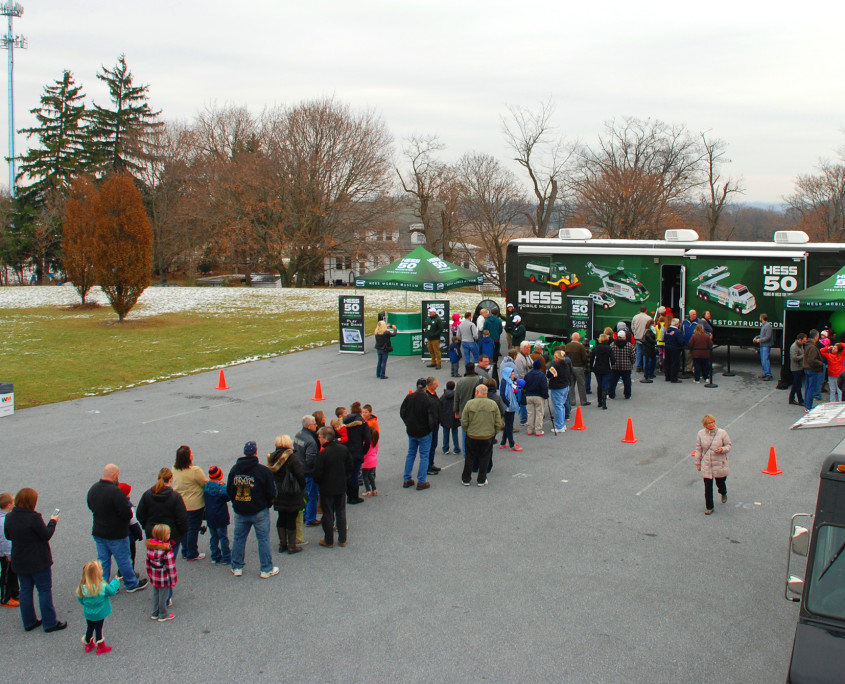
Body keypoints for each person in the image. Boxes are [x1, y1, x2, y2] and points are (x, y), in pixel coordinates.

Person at [3, 487, 66, 632]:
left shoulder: (10, 517)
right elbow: (46, 535)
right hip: (38, 560)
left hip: (20, 559)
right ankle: (50, 623)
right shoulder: (33, 518)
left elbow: (8, 536)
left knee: (25, 590)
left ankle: (29, 621)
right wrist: (53, 521)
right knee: (44, 590)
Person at [87, 464, 148, 593]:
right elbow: (126, 514)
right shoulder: (116, 492)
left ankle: (102, 585)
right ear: (114, 475)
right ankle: (131, 583)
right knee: (124, 560)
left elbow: (90, 505)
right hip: (116, 534)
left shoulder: (93, 489)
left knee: (103, 560)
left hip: (99, 531)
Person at [227, 441, 278, 579]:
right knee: (263, 539)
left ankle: (237, 566)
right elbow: (271, 492)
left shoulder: (234, 470)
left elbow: (230, 490)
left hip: (240, 509)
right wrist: (266, 504)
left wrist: (236, 502)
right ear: (256, 452)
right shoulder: (263, 471)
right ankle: (266, 569)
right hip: (259, 510)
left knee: (239, 538)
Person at [313, 427, 352, 548]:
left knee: (328, 514)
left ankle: (329, 540)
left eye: (319, 436)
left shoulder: (323, 454)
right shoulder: (343, 449)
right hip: (340, 486)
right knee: (341, 512)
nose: (318, 438)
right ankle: (342, 539)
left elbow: (317, 473)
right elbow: (350, 465)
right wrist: (345, 479)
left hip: (327, 488)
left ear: (325, 438)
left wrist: (319, 482)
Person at [267, 435, 306, 555]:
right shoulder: (291, 458)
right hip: (291, 491)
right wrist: (302, 488)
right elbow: (300, 476)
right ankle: (292, 545)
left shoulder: (271, 457)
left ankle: (282, 543)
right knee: (291, 518)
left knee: (281, 517)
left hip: (278, 492)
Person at [136, 468, 188, 556]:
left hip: (153, 534)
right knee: (169, 563)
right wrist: (181, 533)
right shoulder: (175, 497)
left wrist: (147, 526)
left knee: (154, 562)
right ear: (171, 479)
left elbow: (140, 514)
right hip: (171, 536)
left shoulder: (147, 494)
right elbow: (182, 519)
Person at [400, 377, 440, 490]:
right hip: (424, 432)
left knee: (411, 453)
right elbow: (432, 418)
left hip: (412, 430)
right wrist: (430, 428)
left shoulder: (409, 397)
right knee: (424, 456)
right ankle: (421, 481)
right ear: (426, 386)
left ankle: (407, 479)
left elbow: (402, 412)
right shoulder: (427, 400)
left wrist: (408, 423)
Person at [460, 385, 504, 487]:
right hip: (487, 436)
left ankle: (466, 478)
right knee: (485, 458)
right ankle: (481, 479)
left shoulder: (470, 403)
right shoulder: (492, 404)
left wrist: (467, 430)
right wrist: (494, 432)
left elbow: (464, 421)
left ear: (476, 392)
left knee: (469, 457)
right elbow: (498, 422)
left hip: (472, 435)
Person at [172, 445, 207, 561]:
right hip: (194, 504)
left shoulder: (175, 469)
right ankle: (192, 552)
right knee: (193, 528)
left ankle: (185, 550)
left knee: (184, 528)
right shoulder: (195, 471)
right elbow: (204, 483)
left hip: (180, 503)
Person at [76, 560, 119, 654]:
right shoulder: (102, 586)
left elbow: (81, 600)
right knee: (98, 628)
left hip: (89, 613)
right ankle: (100, 647)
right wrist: (116, 581)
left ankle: (88, 644)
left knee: (90, 627)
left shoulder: (83, 587)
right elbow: (111, 591)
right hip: (100, 613)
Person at [693, 414, 731, 515]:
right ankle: (709, 507)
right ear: (705, 425)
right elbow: (698, 449)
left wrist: (722, 449)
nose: (712, 424)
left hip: (719, 462)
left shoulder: (722, 433)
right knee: (708, 486)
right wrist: (698, 463)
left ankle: (723, 492)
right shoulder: (700, 434)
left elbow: (729, 445)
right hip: (707, 463)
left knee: (720, 482)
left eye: (713, 422)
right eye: (709, 423)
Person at [145, 524, 176, 622]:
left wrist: (150, 574)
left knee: (156, 594)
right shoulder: (167, 550)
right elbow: (170, 567)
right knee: (164, 596)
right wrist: (173, 579)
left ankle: (155, 612)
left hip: (154, 574)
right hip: (164, 576)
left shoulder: (150, 548)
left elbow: (148, 563)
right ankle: (163, 614)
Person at [295, 415, 320, 528]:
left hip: (299, 470)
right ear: (309, 426)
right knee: (312, 495)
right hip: (308, 472)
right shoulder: (311, 441)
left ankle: (305, 515)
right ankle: (310, 518)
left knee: (304, 494)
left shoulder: (298, 435)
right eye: (315, 424)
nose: (316, 425)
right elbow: (311, 460)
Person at [343, 401, 371, 504]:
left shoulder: (345, 421)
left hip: (345, 451)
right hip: (356, 452)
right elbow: (368, 439)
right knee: (354, 475)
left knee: (347, 474)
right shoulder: (362, 423)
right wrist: (364, 450)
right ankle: (354, 497)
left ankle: (348, 495)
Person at [203, 465, 231, 564]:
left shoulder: (206, 487)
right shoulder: (222, 487)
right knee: (223, 537)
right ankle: (226, 557)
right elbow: (228, 497)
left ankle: (215, 556)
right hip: (221, 516)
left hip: (210, 516)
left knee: (213, 537)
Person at [0, 491, 20, 608]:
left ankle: (14, 592)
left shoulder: (5, 517)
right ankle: (5, 598)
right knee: (7, 574)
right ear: (8, 505)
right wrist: (8, 554)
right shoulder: (3, 521)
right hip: (5, 553)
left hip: (6, 552)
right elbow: (5, 541)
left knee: (13, 572)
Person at [547, 348, 571, 432]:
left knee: (558, 407)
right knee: (562, 405)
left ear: (556, 357)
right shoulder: (566, 363)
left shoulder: (555, 366)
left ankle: (559, 426)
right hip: (565, 386)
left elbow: (549, 375)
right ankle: (562, 424)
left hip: (557, 388)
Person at [498, 367, 522, 451]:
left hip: (510, 406)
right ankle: (512, 444)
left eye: (513, 374)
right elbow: (502, 395)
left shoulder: (508, 381)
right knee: (509, 425)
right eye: (512, 374)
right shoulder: (505, 382)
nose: (513, 375)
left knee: (508, 424)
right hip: (508, 407)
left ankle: (503, 442)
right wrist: (509, 404)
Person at [524, 358, 549, 436]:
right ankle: (538, 430)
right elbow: (544, 387)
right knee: (539, 413)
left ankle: (530, 430)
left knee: (530, 413)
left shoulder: (528, 375)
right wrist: (545, 395)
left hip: (528, 396)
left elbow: (525, 385)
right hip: (539, 396)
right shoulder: (542, 375)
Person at [565, 332, 591, 406]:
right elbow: (584, 358)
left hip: (570, 367)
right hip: (579, 367)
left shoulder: (567, 346)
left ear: (572, 338)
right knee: (581, 384)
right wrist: (583, 365)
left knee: (571, 385)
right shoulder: (581, 346)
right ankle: (583, 401)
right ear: (578, 338)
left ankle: (572, 401)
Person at [608, 330, 635, 400]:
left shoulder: (612, 345)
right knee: (627, 382)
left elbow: (610, 355)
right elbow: (633, 356)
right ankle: (627, 395)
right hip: (626, 367)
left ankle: (611, 395)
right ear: (624, 337)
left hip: (615, 366)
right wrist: (631, 363)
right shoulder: (629, 345)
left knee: (613, 382)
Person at [590, 333, 614, 409]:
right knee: (605, 385)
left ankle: (599, 402)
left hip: (597, 369)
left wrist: (592, 367)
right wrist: (611, 365)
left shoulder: (596, 348)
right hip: (606, 368)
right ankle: (604, 402)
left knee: (599, 385)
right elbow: (613, 360)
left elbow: (591, 359)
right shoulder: (609, 348)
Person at [804, 329, 824, 412]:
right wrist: (820, 363)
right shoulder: (812, 347)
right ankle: (808, 407)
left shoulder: (808, 345)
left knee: (808, 387)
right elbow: (812, 360)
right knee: (811, 388)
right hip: (812, 369)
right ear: (816, 337)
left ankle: (807, 405)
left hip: (807, 369)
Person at [440, 380, 461, 455]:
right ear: (454, 387)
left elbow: (440, 406)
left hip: (445, 417)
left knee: (445, 433)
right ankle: (456, 448)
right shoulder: (456, 396)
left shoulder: (443, 396)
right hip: (454, 417)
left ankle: (445, 448)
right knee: (454, 433)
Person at [754, 313, 774, 380]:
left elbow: (768, 337)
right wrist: (756, 337)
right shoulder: (764, 325)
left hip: (766, 346)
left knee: (765, 360)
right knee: (763, 360)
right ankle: (765, 373)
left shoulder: (767, 326)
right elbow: (762, 335)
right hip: (763, 345)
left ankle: (768, 374)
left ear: (762, 318)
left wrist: (760, 340)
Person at [663, 318, 684, 383]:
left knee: (667, 362)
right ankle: (674, 378)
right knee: (675, 363)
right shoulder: (677, 332)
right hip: (675, 348)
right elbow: (681, 341)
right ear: (677, 324)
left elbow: (664, 338)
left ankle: (668, 377)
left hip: (667, 347)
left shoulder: (667, 330)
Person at [789, 333, 807, 406]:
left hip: (799, 367)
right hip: (795, 368)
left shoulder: (801, 345)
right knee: (798, 385)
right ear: (800, 339)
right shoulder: (794, 347)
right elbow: (794, 358)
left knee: (795, 384)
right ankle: (800, 400)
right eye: (804, 340)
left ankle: (791, 399)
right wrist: (804, 356)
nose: (805, 342)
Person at [631, 305, 650, 371]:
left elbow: (632, 327)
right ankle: (645, 367)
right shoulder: (648, 318)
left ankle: (638, 366)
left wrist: (635, 333)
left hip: (637, 337)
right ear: (646, 310)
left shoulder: (635, 317)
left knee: (638, 352)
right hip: (645, 337)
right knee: (645, 352)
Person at [362, 427, 379, 497]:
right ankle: (374, 489)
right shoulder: (375, 441)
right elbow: (376, 450)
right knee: (370, 475)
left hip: (367, 461)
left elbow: (364, 452)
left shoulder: (365, 442)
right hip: (374, 459)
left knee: (365, 476)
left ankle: (368, 490)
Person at [681, 310, 699, 375]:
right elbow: (682, 330)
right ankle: (689, 369)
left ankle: (694, 369)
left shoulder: (698, 322)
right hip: (686, 342)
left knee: (695, 356)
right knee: (688, 356)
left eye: (695, 314)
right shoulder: (685, 322)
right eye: (693, 314)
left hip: (695, 344)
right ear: (690, 315)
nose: (695, 315)